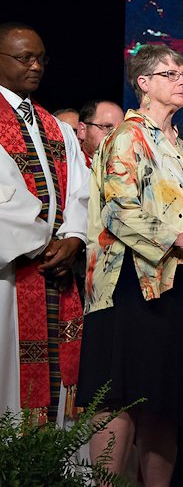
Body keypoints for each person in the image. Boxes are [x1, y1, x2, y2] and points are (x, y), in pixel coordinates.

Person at [78, 43, 183, 484]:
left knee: (165, 402)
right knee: (119, 398)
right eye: (170, 73)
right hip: (129, 284)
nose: (182, 81)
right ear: (144, 83)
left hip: (175, 285)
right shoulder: (126, 136)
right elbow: (120, 212)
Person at [0, 22, 88, 425]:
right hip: (10, 273)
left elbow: (80, 190)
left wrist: (73, 236)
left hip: (55, 269)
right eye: (24, 58)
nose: (35, 66)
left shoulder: (54, 126)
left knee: (54, 386)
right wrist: (42, 240)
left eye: (41, 59)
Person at [77, 99, 124, 165]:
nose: (116, 135)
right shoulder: (69, 168)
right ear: (82, 130)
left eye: (121, 129)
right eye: (107, 127)